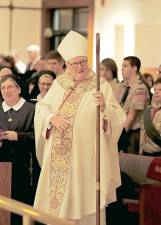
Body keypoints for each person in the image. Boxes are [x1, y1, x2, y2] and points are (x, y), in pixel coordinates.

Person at [34, 31, 126, 225]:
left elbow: (118, 117)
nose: (80, 67)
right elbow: (42, 107)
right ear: (66, 64)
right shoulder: (60, 83)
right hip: (58, 157)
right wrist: (52, 118)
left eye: (83, 61)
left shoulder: (101, 84)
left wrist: (104, 107)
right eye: (75, 63)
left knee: (86, 210)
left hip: (86, 160)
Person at [0, 75, 40, 225]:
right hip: (1, 165)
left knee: (20, 203)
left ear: (18, 89)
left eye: (10, 86)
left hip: (24, 165)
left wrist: (18, 136)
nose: (6, 90)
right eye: (3, 87)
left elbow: (39, 137)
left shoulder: (31, 109)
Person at [117, 56, 150, 154]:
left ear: (134, 68)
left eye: (125, 66)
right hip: (120, 130)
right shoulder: (123, 87)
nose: (122, 68)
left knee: (129, 167)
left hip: (131, 134)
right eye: (122, 66)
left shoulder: (140, 89)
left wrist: (120, 138)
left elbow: (131, 117)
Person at [139, 77, 161, 157]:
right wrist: (140, 151)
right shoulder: (147, 110)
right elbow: (142, 132)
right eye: (155, 90)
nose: (156, 92)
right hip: (145, 152)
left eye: (160, 90)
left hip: (158, 153)